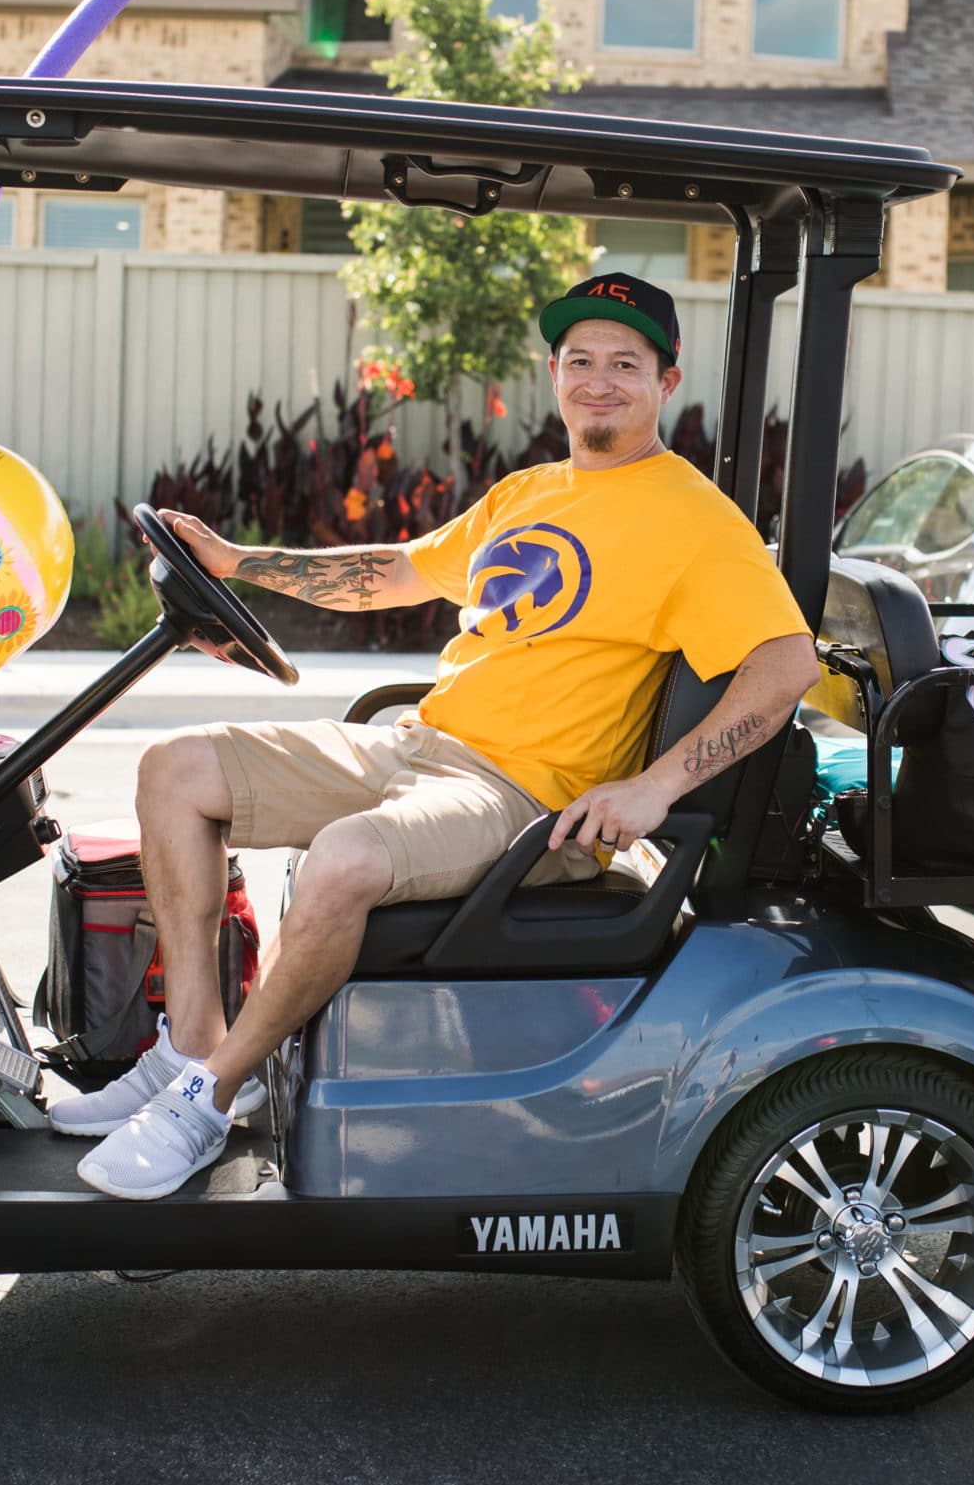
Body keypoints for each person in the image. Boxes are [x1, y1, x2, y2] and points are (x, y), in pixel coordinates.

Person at [60, 270, 821, 1198]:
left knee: (341, 860)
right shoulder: (530, 491)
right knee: (173, 767)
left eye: (626, 362)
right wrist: (236, 563)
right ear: (555, 373)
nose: (599, 379)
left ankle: (208, 1099)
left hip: (522, 796)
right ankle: (190, 1049)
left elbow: (786, 664)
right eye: (580, 359)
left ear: (665, 382)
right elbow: (395, 573)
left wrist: (653, 787)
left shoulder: (694, 518)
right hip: (421, 747)